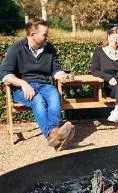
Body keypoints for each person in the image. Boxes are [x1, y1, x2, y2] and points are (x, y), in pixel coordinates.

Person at [0, 18, 75, 149]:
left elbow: (56, 70)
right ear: (33, 35)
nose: (47, 37)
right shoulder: (16, 49)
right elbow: (5, 74)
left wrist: (63, 75)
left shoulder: (49, 48)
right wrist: (23, 83)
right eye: (45, 34)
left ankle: (53, 134)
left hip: (44, 85)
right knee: (38, 100)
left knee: (54, 95)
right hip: (21, 89)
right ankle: (53, 134)